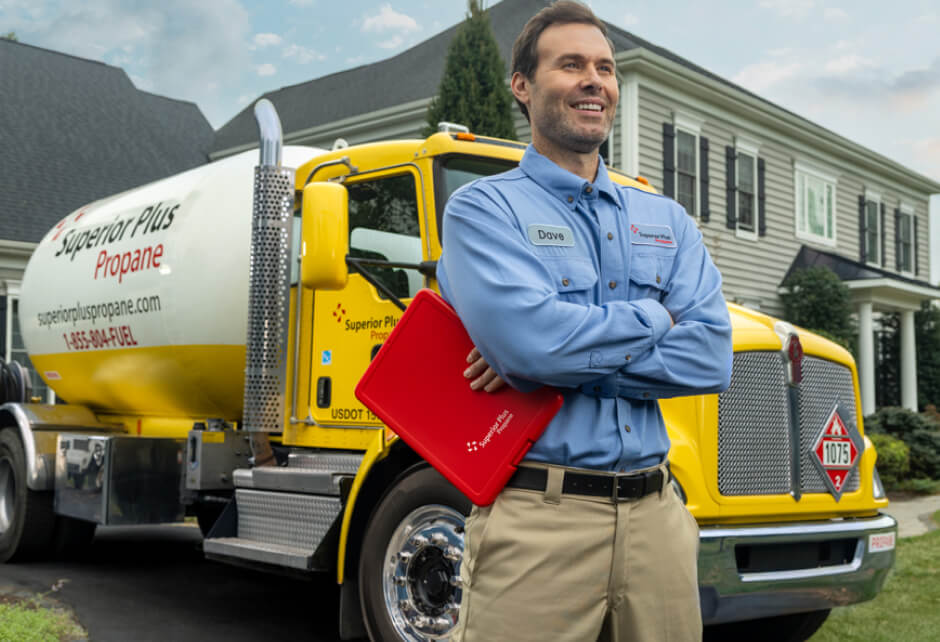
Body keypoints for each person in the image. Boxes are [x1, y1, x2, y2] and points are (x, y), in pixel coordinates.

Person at [435, 1, 733, 640]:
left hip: (659, 519)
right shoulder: (483, 210)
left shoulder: (667, 220)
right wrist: (658, 315)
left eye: (605, 67)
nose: (594, 80)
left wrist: (553, 356)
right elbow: (531, 346)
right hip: (540, 519)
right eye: (570, 65)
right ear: (523, 86)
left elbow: (709, 357)